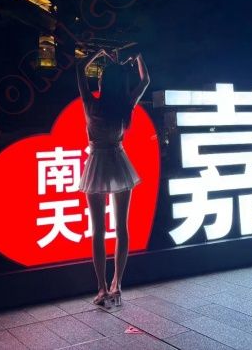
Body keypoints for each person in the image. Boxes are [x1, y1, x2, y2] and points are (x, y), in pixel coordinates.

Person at [76, 48, 150, 307]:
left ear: (103, 83)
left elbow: (79, 68)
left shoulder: (92, 105)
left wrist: (98, 52)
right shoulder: (124, 105)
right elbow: (145, 81)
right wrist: (137, 56)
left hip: (97, 163)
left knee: (98, 231)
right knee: (122, 228)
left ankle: (101, 289)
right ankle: (117, 285)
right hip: (119, 162)